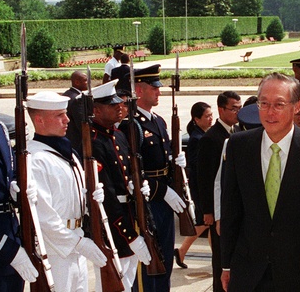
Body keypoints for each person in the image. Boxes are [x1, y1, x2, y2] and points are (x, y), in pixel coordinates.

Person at [221, 72, 300, 292]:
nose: (270, 112)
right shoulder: (238, 145)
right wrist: (225, 264)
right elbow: (231, 209)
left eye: (279, 104)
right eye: (264, 103)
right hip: (248, 272)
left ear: (297, 105)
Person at [26, 91, 107, 292]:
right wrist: (78, 243)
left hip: (77, 241)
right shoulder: (36, 159)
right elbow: (45, 218)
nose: (67, 120)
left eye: (66, 114)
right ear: (40, 120)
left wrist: (93, 195)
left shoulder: (67, 152)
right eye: (59, 115)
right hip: (55, 250)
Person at [118, 64, 187, 292]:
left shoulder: (158, 120)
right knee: (149, 261)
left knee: (165, 257)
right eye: (153, 87)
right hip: (147, 202)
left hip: (165, 199)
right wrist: (163, 190)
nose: (159, 91)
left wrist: (176, 168)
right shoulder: (131, 124)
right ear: (138, 89)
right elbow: (132, 172)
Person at [90, 80, 152, 291]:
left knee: (129, 279)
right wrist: (129, 235)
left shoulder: (119, 136)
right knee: (114, 283)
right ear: (96, 110)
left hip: (131, 216)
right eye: (112, 104)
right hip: (114, 226)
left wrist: (140, 186)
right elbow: (106, 196)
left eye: (119, 103)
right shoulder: (94, 142)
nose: (120, 107)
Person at [195, 91, 241, 292]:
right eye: (233, 108)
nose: (237, 112)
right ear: (221, 110)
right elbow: (204, 178)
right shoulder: (211, 138)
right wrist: (208, 211)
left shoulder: (237, 133)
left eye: (239, 108)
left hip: (234, 207)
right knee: (221, 261)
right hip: (218, 209)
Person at [0, 117, 38, 291]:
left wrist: (16, 185)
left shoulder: (0, 127)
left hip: (9, 231)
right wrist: (6, 248)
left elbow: (8, 168)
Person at [175, 102, 213, 269]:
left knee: (209, 224)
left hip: (202, 187)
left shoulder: (203, 135)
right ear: (196, 119)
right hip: (199, 188)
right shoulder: (198, 139)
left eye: (212, 115)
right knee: (204, 222)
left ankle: (216, 258)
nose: (211, 119)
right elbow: (198, 168)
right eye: (207, 116)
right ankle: (182, 250)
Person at [64, 71, 89, 158]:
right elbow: (82, 124)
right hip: (77, 142)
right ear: (77, 82)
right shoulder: (77, 99)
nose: (88, 83)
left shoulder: (67, 94)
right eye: (86, 80)